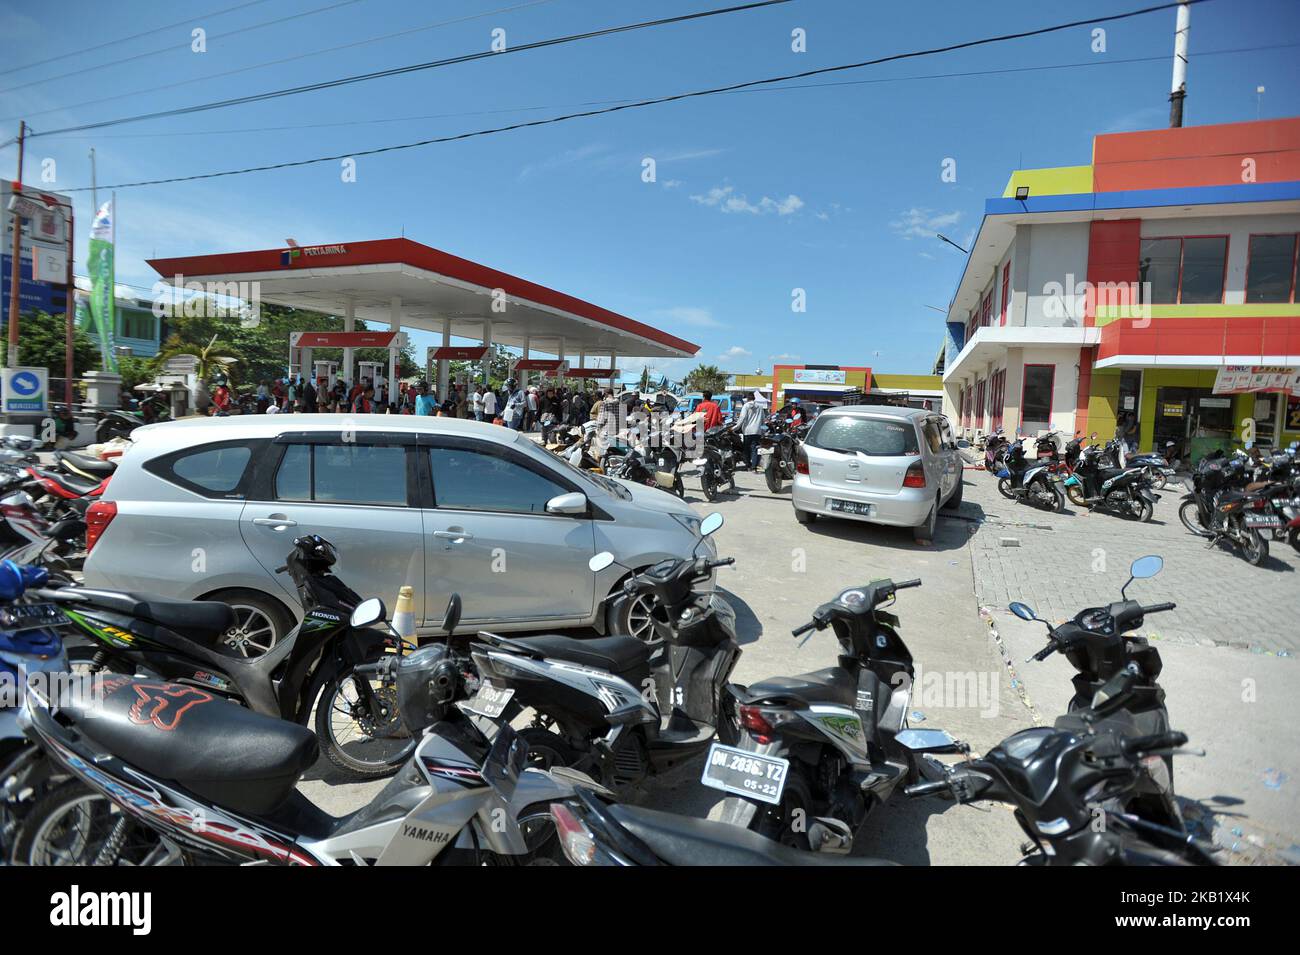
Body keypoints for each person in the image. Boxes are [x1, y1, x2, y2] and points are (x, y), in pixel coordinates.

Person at [736, 391, 766, 469]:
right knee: (754, 449)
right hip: (757, 431)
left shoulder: (746, 406)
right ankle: (754, 467)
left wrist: (735, 428)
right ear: (754, 398)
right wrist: (763, 432)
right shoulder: (760, 406)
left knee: (746, 449)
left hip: (747, 431)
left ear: (747, 398)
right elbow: (763, 420)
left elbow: (742, 418)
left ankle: (748, 465)